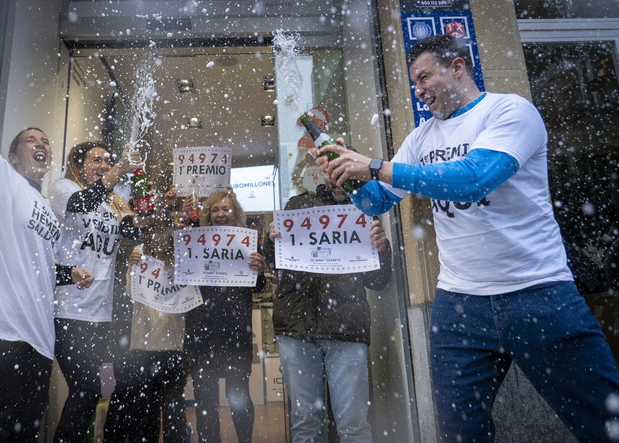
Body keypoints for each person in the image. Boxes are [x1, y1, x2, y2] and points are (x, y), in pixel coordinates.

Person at [316, 34, 619, 442]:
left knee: (602, 420)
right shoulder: (420, 138)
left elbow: (474, 180)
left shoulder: (509, 111)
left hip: (539, 293)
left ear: (457, 67)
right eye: (414, 82)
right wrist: (346, 176)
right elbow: (376, 203)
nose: (418, 90)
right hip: (459, 304)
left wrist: (372, 164)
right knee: (460, 431)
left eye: (424, 77)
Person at [0, 34, 94, 442]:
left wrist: (70, 273)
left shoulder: (45, 208)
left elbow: (38, 267)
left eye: (45, 140)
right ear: (13, 156)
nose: (42, 143)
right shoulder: (0, 181)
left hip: (38, 344)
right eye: (32, 139)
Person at [263, 180, 392, 443]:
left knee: (353, 424)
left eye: (343, 171)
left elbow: (377, 281)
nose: (336, 178)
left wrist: (382, 250)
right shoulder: (298, 205)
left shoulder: (365, 210)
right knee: (305, 423)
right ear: (323, 173)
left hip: (346, 328)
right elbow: (274, 261)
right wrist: (269, 239)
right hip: (297, 327)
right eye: (331, 170)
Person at [50, 141, 144, 442]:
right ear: (78, 165)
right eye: (96, 160)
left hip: (102, 313)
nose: (103, 165)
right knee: (88, 387)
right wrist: (119, 169)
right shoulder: (65, 188)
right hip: (69, 307)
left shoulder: (112, 202)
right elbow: (82, 203)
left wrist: (141, 195)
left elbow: (137, 232)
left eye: (107, 160)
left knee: (94, 390)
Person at [183, 190, 266, 443]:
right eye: (215, 209)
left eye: (226, 209)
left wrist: (259, 271)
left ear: (235, 213)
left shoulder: (249, 243)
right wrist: (188, 220)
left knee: (238, 396)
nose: (221, 214)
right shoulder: (194, 240)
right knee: (205, 399)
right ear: (208, 214)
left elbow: (258, 287)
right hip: (200, 331)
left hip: (235, 332)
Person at [103, 223, 190, 443]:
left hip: (173, 345)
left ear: (170, 242)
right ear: (147, 240)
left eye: (164, 240)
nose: (159, 245)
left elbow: (190, 298)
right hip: (143, 345)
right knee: (146, 409)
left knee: (173, 410)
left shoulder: (182, 262)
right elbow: (130, 291)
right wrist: (134, 267)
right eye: (154, 240)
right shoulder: (139, 260)